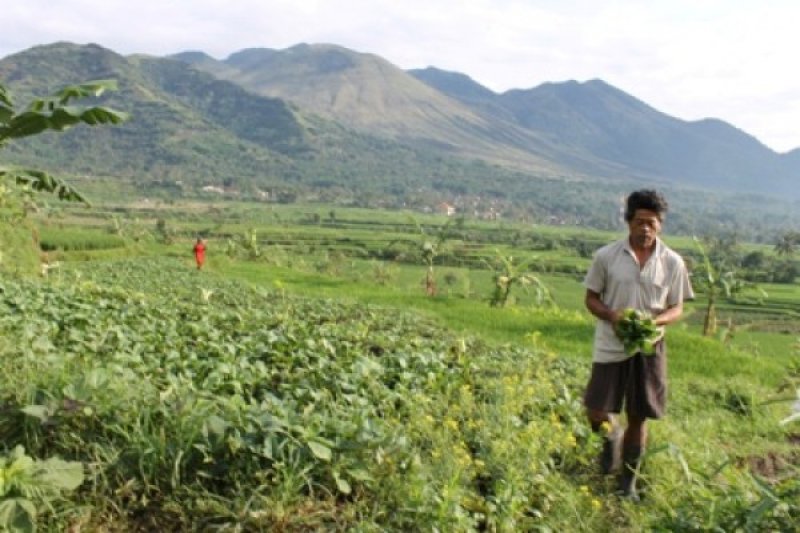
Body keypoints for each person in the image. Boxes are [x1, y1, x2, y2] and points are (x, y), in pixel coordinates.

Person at [583, 189, 693, 500]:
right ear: (629, 222)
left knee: (639, 415)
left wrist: (655, 322)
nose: (645, 228)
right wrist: (612, 315)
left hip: (648, 348)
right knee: (595, 410)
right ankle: (611, 437)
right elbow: (591, 299)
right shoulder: (606, 257)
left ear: (661, 225)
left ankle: (627, 486)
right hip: (610, 344)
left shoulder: (672, 262)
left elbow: (677, 307)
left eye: (652, 222)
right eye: (640, 221)